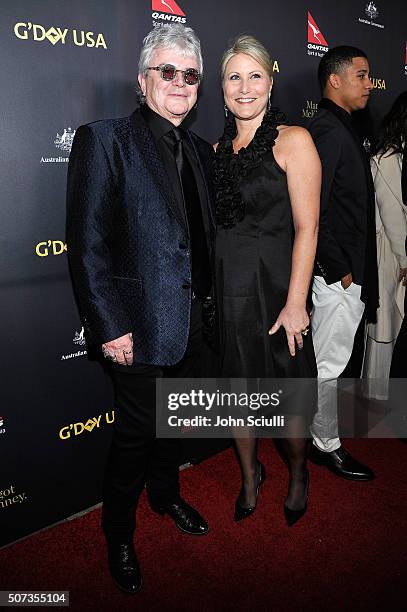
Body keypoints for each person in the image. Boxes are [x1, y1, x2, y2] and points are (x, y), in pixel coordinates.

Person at [66, 24, 215, 595]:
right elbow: (87, 243)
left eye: (190, 74)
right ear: (143, 79)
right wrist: (108, 326)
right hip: (136, 328)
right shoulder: (105, 140)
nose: (180, 83)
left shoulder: (200, 151)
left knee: (172, 424)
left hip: (192, 322)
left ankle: (167, 494)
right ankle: (118, 535)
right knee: (133, 437)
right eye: (168, 72)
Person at [214, 35, 321, 526]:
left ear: (271, 83)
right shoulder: (215, 149)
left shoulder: (293, 140)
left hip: (280, 291)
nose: (244, 87)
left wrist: (297, 301)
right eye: (234, 76)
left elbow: (308, 227)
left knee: (290, 394)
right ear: (221, 88)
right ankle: (249, 473)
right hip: (230, 293)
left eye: (254, 75)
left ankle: (298, 472)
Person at [307, 46, 379, 479]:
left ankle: (322, 437)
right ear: (336, 80)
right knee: (328, 367)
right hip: (338, 277)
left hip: (345, 275)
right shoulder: (329, 131)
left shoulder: (340, 127)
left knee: (331, 364)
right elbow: (315, 207)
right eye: (362, 75)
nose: (370, 84)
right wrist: (340, 270)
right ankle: (325, 445)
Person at [363, 92, 407, 399]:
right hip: (389, 254)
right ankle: (378, 394)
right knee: (385, 326)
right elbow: (393, 217)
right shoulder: (387, 160)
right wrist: (406, 260)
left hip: (399, 252)